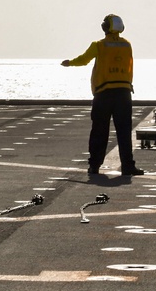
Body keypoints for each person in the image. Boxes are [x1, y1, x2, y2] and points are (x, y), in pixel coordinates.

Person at [61, 14, 144, 176]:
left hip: (103, 93)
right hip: (124, 93)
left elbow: (84, 60)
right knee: (124, 131)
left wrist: (69, 62)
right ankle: (128, 166)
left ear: (105, 27)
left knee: (99, 131)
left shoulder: (99, 45)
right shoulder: (127, 45)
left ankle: (94, 165)